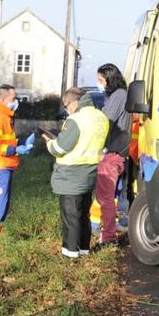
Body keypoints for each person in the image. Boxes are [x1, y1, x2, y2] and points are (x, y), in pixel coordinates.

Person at [46, 87, 109, 257]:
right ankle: (83, 249)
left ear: (74, 102)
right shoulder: (101, 117)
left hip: (71, 174)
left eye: (66, 105)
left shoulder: (76, 120)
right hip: (90, 172)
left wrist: (49, 143)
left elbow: (61, 147)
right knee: (83, 215)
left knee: (70, 216)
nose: (66, 109)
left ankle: (70, 254)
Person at [0, 84, 35, 239]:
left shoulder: (4, 115)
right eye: (13, 98)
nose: (16, 101)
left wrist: (21, 142)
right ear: (3, 99)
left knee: (2, 204)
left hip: (4, 165)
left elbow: (5, 140)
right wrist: (16, 150)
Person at [94, 64, 129, 246]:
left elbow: (104, 121)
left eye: (100, 80)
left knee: (105, 197)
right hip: (118, 151)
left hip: (112, 152)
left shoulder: (118, 96)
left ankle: (108, 237)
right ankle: (107, 232)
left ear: (110, 78)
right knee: (109, 196)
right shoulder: (118, 94)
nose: (98, 84)